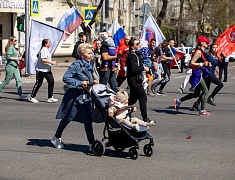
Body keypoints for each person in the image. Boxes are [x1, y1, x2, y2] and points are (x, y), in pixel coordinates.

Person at [51, 43, 99, 150]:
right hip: (74, 96)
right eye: (89, 53)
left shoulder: (88, 64)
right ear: (82, 55)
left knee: (88, 120)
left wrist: (92, 82)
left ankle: (92, 143)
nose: (91, 55)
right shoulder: (76, 65)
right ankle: (56, 137)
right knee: (67, 118)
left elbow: (87, 79)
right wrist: (79, 83)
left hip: (85, 96)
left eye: (91, 53)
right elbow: (66, 78)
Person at [174, 36, 212, 116]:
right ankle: (202, 111)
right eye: (206, 42)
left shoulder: (201, 51)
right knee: (205, 91)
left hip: (198, 73)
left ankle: (179, 101)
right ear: (201, 43)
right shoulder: (198, 51)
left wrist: (207, 64)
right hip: (196, 74)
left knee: (197, 93)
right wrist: (202, 64)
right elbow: (192, 63)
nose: (208, 44)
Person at [126, 37, 154, 123]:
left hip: (138, 79)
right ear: (132, 46)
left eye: (139, 43)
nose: (139, 45)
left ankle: (121, 110)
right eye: (137, 44)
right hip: (133, 79)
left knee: (133, 100)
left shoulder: (138, 55)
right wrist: (143, 68)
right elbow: (134, 69)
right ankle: (145, 119)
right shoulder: (131, 56)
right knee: (143, 97)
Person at [193, 43, 223, 108]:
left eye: (216, 47)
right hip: (207, 74)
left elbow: (220, 65)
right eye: (214, 47)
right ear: (210, 49)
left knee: (205, 91)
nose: (215, 49)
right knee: (220, 84)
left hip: (210, 74)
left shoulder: (216, 57)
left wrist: (224, 59)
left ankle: (196, 104)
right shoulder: (208, 55)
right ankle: (211, 97)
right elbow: (202, 60)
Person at [28, 39, 58, 103]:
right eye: (49, 42)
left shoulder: (46, 50)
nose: (50, 43)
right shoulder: (43, 50)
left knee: (51, 82)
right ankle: (32, 97)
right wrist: (52, 62)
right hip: (41, 70)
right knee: (38, 83)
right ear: (45, 44)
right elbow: (43, 60)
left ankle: (50, 97)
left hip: (47, 70)